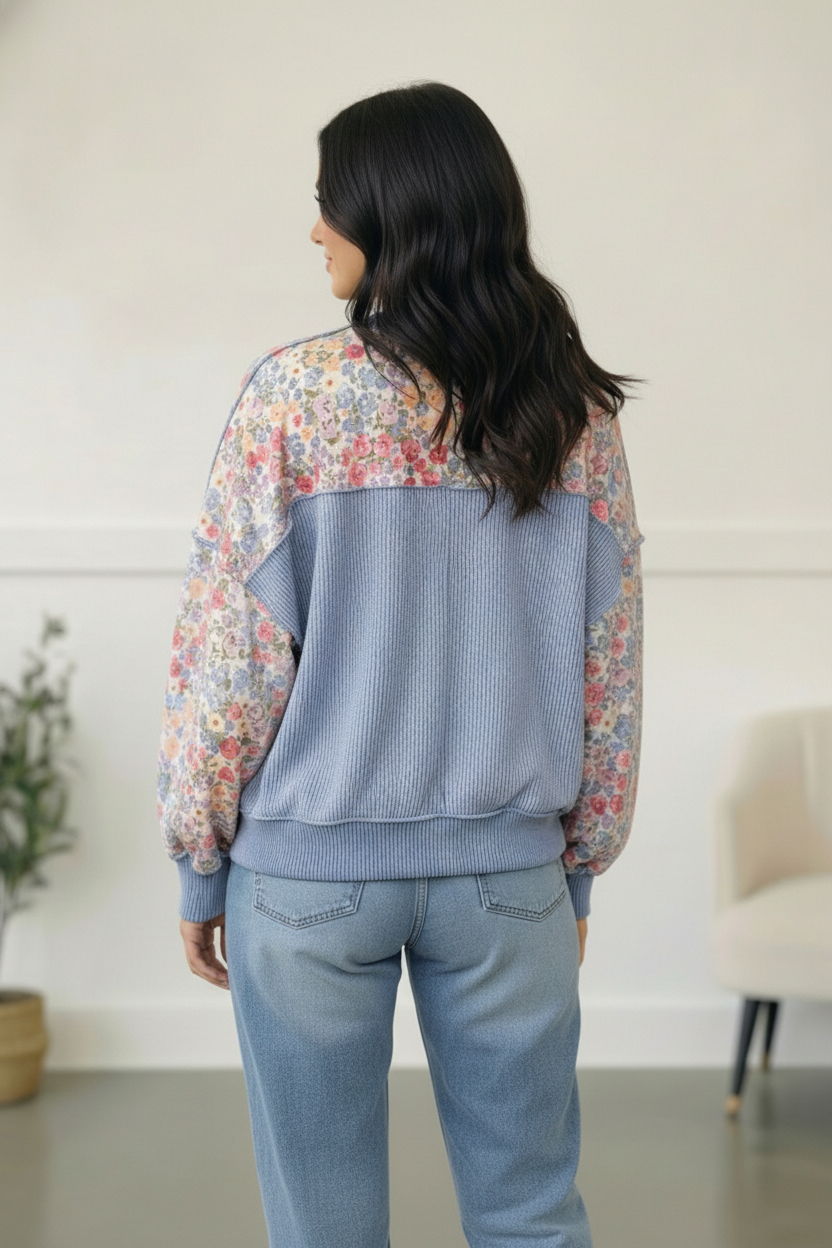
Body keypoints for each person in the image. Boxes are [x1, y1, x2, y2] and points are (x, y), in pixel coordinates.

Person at [157, 80, 645, 1248]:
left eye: (328, 202)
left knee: (323, 1228)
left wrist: (199, 858)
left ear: (390, 211)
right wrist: (577, 867)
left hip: (307, 880)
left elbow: (228, 663)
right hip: (509, 880)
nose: (314, 228)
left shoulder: (292, 396)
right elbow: (609, 666)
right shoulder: (572, 413)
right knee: (532, 1214)